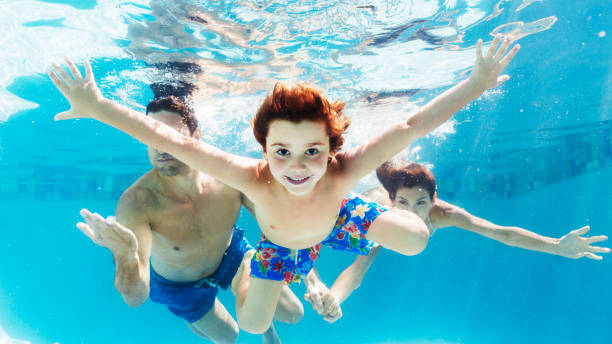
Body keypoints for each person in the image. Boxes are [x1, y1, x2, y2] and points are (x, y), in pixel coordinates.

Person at [48, 35, 519, 334]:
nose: (297, 167)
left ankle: (362, 209)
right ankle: (288, 263)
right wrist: (98, 105)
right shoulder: (244, 175)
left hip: (336, 217)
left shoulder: (342, 170)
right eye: (282, 153)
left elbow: (412, 125)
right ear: (263, 147)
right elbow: (161, 136)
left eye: (312, 152)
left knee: (416, 239)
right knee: (253, 327)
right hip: (280, 248)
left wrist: (475, 84)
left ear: (331, 149)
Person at [74, 96, 303, 344]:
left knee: (293, 313)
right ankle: (196, 316)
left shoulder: (229, 175)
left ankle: (264, 324)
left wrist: (314, 282)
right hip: (178, 285)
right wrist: (125, 256)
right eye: (151, 135)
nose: (160, 147)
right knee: (229, 336)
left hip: (231, 256)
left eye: (172, 136)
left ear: (196, 136)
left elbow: (280, 227)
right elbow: (135, 298)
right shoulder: (138, 202)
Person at [305, 160, 611, 323]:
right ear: (391, 200)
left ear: (434, 199)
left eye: (421, 203)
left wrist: (556, 245)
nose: (412, 213)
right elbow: (357, 268)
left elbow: (500, 232)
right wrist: (331, 296)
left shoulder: (444, 214)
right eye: (404, 203)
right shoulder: (378, 215)